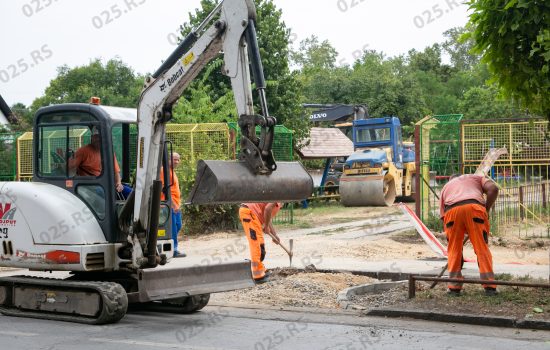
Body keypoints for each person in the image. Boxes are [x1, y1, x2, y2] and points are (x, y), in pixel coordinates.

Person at [439, 174, 499, 296]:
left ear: (451, 180)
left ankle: (454, 288)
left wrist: (458, 229)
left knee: (454, 250)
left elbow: (443, 217)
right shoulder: (476, 177)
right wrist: (485, 210)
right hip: (475, 208)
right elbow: (494, 189)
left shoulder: (446, 187)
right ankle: (490, 287)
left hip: (452, 212)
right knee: (481, 248)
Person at [68, 127, 127, 195]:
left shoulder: (109, 152)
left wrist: (118, 183)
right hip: (91, 186)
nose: (98, 139)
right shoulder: (83, 151)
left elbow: (116, 172)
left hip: (106, 184)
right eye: (96, 137)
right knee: (103, 192)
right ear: (92, 138)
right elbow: (69, 168)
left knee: (130, 192)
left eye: (100, 137)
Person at [238, 202, 282, 283]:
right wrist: (266, 226)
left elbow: (267, 216)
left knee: (260, 245)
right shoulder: (279, 193)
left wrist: (274, 234)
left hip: (253, 215)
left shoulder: (280, 197)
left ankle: (261, 269)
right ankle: (258, 276)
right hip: (249, 213)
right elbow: (267, 209)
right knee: (256, 244)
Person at [161, 152, 185, 258]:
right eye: (174, 159)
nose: (176, 162)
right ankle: (174, 250)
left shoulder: (171, 172)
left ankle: (169, 246)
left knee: (177, 225)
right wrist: (173, 204)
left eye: (178, 159)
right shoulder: (164, 171)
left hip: (175, 204)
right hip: (168, 205)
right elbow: (165, 190)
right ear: (168, 159)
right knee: (174, 227)